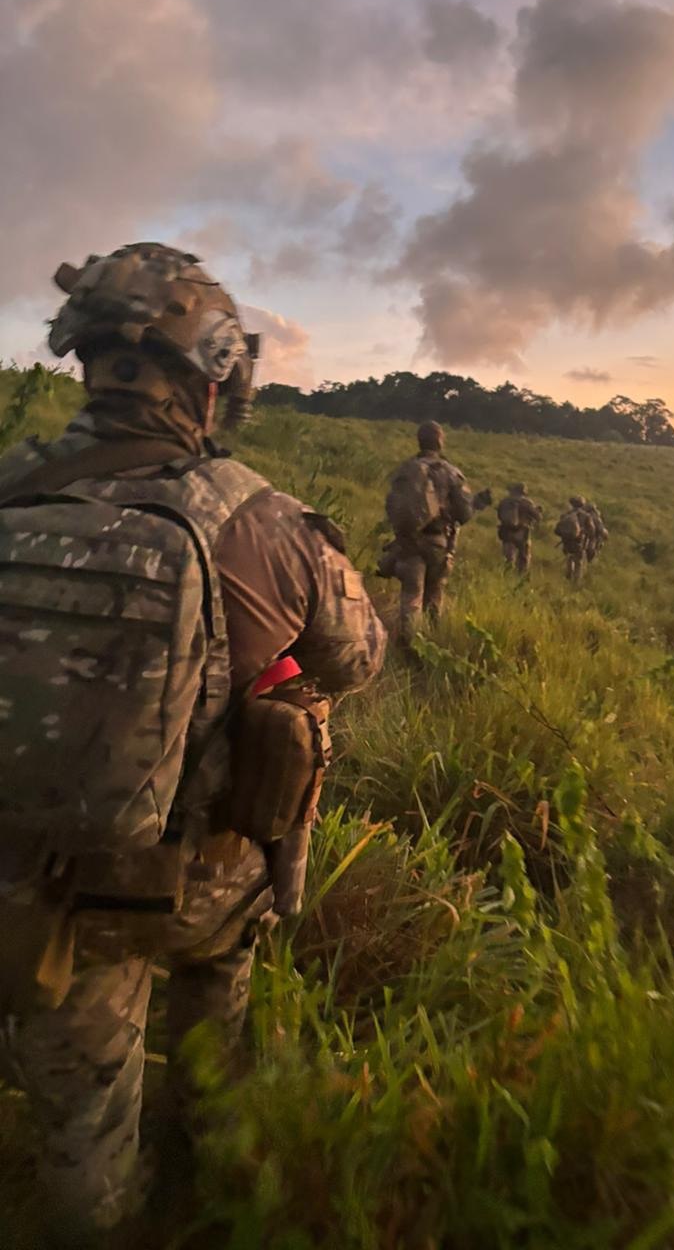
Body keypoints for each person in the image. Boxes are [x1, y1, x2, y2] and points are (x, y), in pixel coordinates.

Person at [0, 242, 386, 1245]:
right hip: (199, 887)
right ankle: (209, 1154)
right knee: (221, 968)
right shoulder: (266, 521)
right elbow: (358, 659)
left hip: (33, 890)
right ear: (213, 382)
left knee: (78, 1145)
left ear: (86, 360)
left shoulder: (9, 486)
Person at [382, 421, 488, 646]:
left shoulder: (405, 469)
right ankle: (430, 646)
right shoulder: (451, 473)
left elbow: (392, 506)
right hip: (438, 544)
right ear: (440, 441)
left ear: (419, 440)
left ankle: (408, 646)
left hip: (408, 543)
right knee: (434, 598)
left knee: (410, 597)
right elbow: (464, 514)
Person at [496, 482, 543, 574]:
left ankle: (506, 576)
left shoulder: (505, 501)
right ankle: (520, 577)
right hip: (523, 533)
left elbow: (499, 515)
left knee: (508, 558)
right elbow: (538, 517)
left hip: (507, 533)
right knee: (524, 558)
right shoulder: (527, 502)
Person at [555, 495, 592, 583]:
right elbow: (591, 530)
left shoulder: (566, 514)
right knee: (578, 562)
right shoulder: (586, 516)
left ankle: (568, 575)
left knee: (569, 558)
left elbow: (560, 528)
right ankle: (576, 582)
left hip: (567, 541)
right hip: (579, 542)